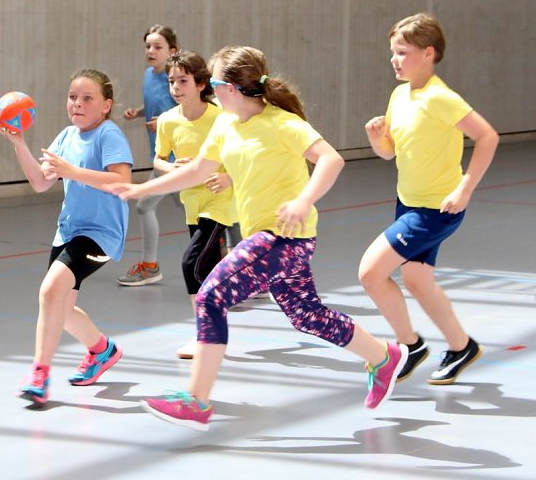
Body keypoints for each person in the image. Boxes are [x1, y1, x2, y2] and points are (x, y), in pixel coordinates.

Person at [108, 46, 406, 430]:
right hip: (269, 238)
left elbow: (331, 159)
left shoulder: (282, 123)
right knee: (307, 316)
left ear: (230, 88)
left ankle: (197, 400)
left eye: (214, 83)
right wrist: (141, 190)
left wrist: (303, 200)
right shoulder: (226, 125)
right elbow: (197, 170)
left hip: (284, 237)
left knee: (211, 296)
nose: (211, 90)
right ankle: (383, 356)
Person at [360, 12, 499, 386]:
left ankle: (409, 346)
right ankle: (461, 347)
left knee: (370, 273)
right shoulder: (399, 94)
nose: (394, 59)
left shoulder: (441, 97)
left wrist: (465, 188)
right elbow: (390, 152)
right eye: (393, 52)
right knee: (418, 281)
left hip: (437, 209)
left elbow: (487, 136)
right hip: (408, 203)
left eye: (402, 52)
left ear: (428, 53)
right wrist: (376, 138)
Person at [0, 69, 133, 405]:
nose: (77, 104)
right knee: (62, 307)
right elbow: (41, 182)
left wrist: (72, 172)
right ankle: (102, 350)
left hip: (100, 234)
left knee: (49, 291)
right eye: (73, 97)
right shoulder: (67, 136)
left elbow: (121, 180)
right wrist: (19, 143)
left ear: (106, 105)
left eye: (87, 98)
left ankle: (39, 374)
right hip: (68, 231)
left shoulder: (109, 134)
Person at [156, 50, 237, 359]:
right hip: (191, 200)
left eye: (183, 81)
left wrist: (228, 176)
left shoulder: (221, 118)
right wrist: (170, 168)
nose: (176, 87)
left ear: (201, 84)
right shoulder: (167, 121)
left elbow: (242, 154)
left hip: (219, 200)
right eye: (171, 81)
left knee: (191, 263)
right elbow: (158, 158)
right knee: (210, 268)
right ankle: (217, 329)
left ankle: (205, 336)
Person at [117, 24, 179, 286]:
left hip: (178, 159)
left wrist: (163, 122)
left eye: (158, 47)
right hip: (162, 157)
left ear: (172, 51)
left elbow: (185, 112)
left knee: (144, 205)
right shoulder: (148, 75)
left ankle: (150, 266)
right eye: (148, 46)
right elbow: (157, 105)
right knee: (200, 212)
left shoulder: (175, 80)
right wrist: (139, 112)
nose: (151, 51)